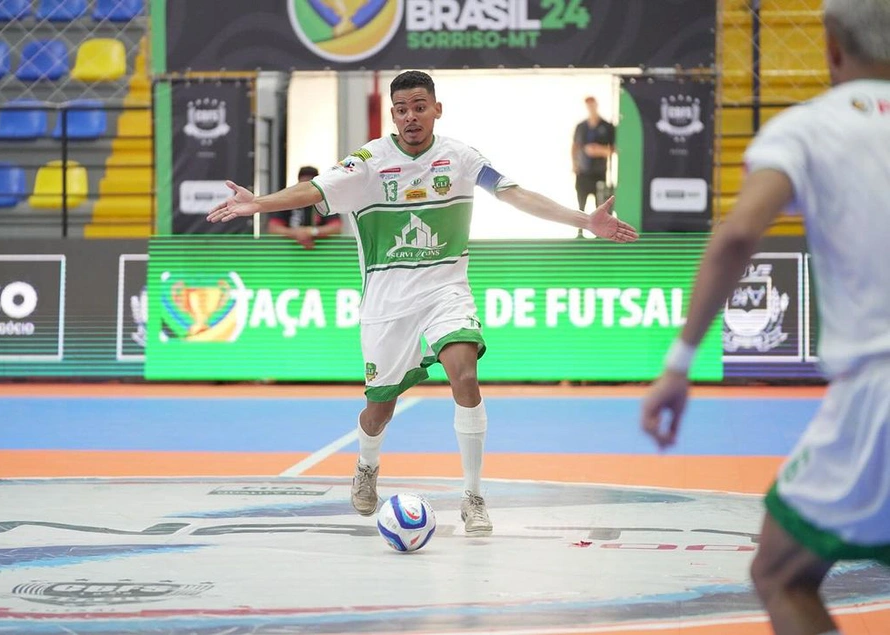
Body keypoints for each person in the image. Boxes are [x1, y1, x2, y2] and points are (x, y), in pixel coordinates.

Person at [209, 70, 638, 536]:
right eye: (401, 109)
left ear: (437, 108)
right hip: (387, 302)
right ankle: (367, 465)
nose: (410, 116)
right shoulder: (369, 160)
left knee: (466, 374)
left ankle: (473, 496)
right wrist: (260, 203)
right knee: (380, 409)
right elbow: (314, 191)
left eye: (419, 106)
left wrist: (582, 220)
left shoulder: (462, 158)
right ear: (392, 115)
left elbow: (515, 195)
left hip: (445, 291)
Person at [640, 1, 890, 632]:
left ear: (831, 45)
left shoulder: (808, 128)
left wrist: (678, 364)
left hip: (879, 387)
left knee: (779, 573)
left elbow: (735, 237)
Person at [265, 166, 343, 249]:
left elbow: (336, 227)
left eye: (309, 185)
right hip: (290, 252)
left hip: (320, 252)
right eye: (303, 184)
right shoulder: (288, 201)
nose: (306, 189)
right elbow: (273, 227)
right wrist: (296, 233)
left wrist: (312, 232)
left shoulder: (325, 202)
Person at [572, 96, 615, 212]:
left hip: (599, 173)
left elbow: (613, 149)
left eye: (592, 105)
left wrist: (599, 150)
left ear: (596, 105)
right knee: (580, 207)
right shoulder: (581, 127)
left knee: (600, 207)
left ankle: (600, 230)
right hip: (583, 172)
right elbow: (575, 147)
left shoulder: (607, 126)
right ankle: (579, 230)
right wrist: (574, 165)